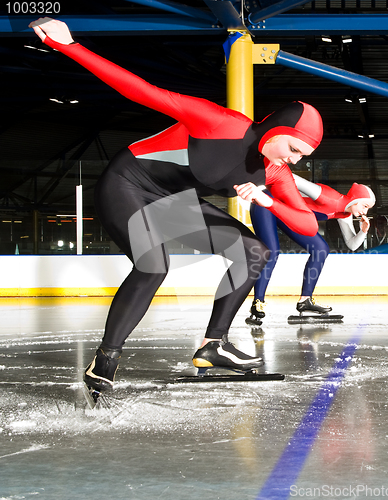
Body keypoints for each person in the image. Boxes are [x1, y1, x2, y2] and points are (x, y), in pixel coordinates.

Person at [30, 18, 325, 395]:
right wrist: (69, 46)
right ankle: (105, 359)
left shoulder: (274, 170)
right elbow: (141, 91)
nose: (296, 161)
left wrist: (268, 200)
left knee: (255, 250)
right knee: (155, 261)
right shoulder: (221, 123)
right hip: (127, 183)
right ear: (278, 132)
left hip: (172, 201)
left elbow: (307, 226)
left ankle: (212, 345)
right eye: (295, 149)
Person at [248, 175, 375, 322]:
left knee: (321, 249)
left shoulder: (345, 214)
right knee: (272, 252)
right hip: (267, 203)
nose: (365, 212)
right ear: (355, 199)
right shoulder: (327, 195)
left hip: (289, 215)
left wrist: (363, 231)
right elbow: (290, 177)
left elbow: (352, 245)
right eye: (365, 206)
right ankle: (258, 302)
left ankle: (305, 300)